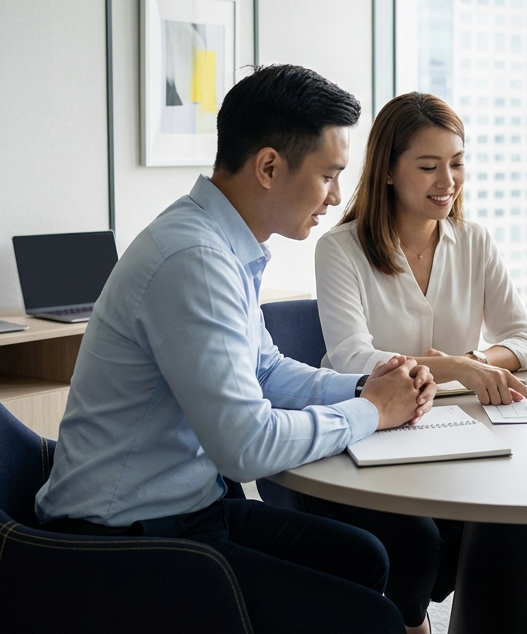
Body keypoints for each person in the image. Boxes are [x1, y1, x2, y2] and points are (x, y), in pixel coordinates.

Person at [35, 65, 436, 634]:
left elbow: (265, 369)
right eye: (329, 175)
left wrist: (364, 387)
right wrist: (373, 411)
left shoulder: (220, 243)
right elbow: (246, 447)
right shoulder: (194, 260)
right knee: (366, 615)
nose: (337, 197)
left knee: (365, 558)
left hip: (188, 508)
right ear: (269, 166)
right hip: (126, 539)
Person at [302, 91, 527, 633]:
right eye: (429, 166)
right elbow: (352, 358)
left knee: (501, 525)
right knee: (418, 544)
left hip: (455, 432)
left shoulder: (474, 241)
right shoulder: (341, 249)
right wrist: (458, 367)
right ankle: (413, 622)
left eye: (457, 163)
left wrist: (475, 359)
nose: (448, 181)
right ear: (387, 171)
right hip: (368, 429)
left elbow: (526, 339)